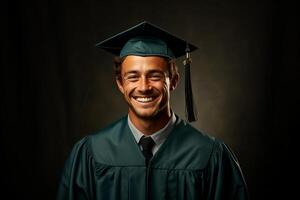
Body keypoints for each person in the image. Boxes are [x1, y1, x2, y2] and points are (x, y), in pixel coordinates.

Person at [56, 21, 249, 200]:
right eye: (133, 77)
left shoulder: (209, 155)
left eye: (155, 76)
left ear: (173, 81)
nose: (144, 87)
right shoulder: (91, 154)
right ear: (120, 83)